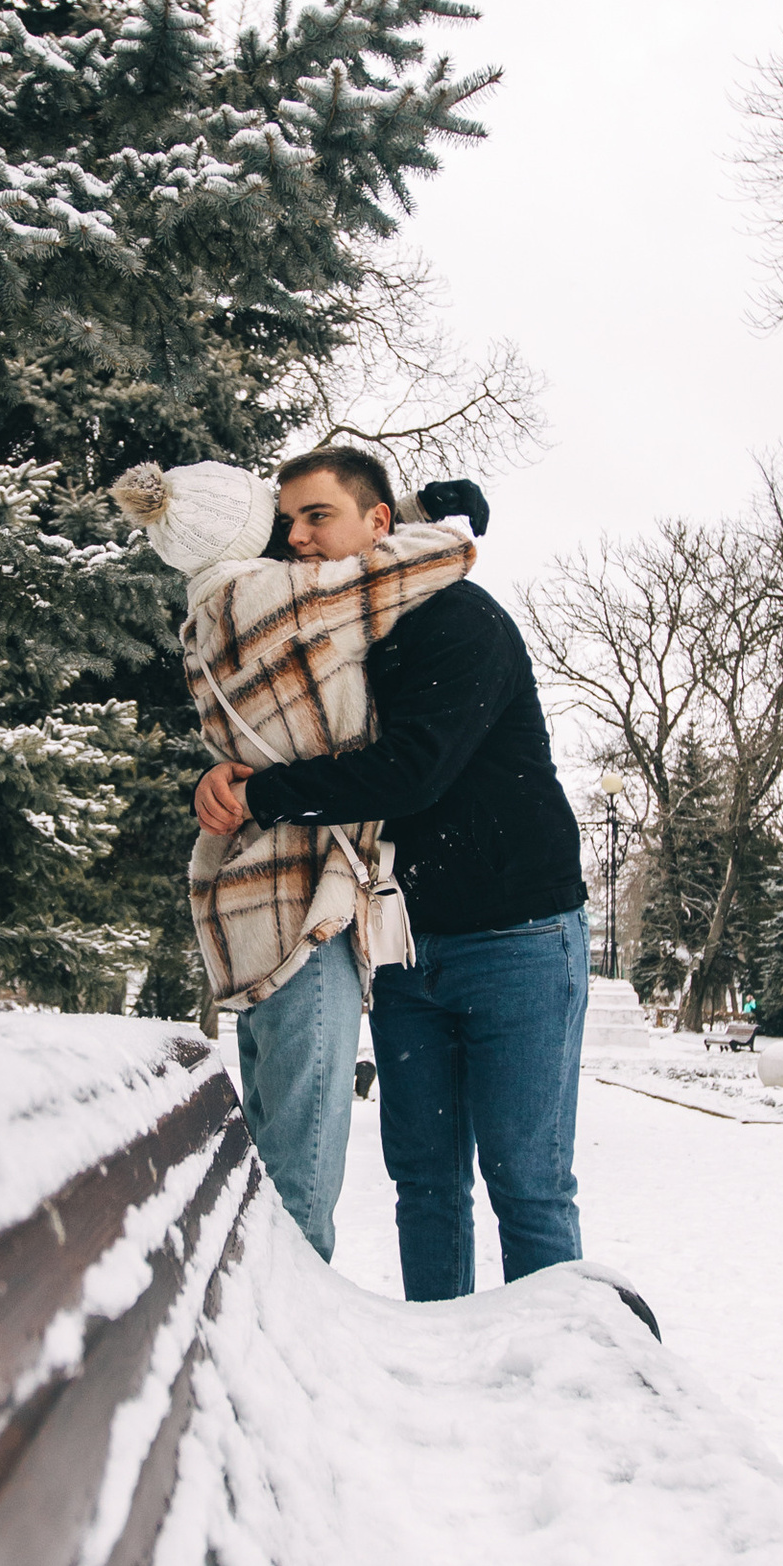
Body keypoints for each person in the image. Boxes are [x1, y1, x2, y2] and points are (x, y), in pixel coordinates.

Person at [194, 458, 589, 1300]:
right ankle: (441, 1351)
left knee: (528, 1183)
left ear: (376, 528)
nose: (296, 538)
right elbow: (281, 718)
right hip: (405, 946)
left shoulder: (458, 620)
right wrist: (223, 778)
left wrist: (261, 795)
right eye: (285, 521)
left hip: (517, 937)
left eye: (316, 518)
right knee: (426, 1180)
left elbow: (412, 772)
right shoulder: (339, 623)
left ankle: (555, 1377)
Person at [111, 448, 483, 1257]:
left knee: (280, 1157)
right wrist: (420, 513)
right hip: (300, 911)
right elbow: (441, 557)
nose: (293, 537)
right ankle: (281, 1357)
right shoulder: (276, 600)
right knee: (299, 1187)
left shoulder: (208, 610)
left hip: (250, 904)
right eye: (278, 521)